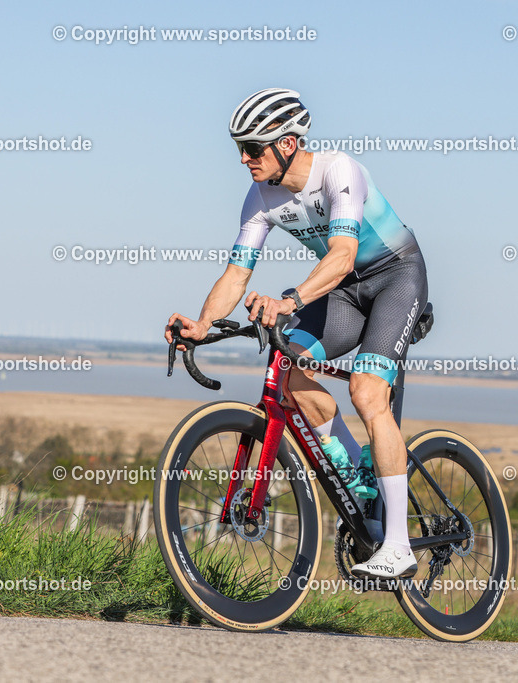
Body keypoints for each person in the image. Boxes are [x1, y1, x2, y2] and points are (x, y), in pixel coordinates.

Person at [164, 88, 427, 579]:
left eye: (253, 148)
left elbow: (344, 254)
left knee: (367, 392)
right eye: (239, 148)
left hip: (395, 276)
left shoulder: (338, 171)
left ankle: (398, 545)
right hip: (345, 292)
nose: (243, 158)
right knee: (287, 372)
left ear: (286, 144)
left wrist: (290, 301)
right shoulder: (260, 197)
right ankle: (355, 468)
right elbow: (237, 273)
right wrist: (202, 325)